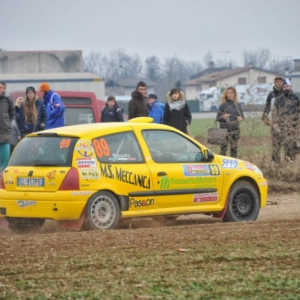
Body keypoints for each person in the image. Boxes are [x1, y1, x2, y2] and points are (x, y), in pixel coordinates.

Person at [271, 78, 300, 163]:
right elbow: (274, 112)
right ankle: (282, 161)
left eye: (287, 86)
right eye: (284, 86)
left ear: (290, 86)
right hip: (282, 126)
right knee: (284, 144)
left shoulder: (296, 98)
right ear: (282, 88)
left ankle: (292, 161)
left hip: (293, 126)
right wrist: (275, 123)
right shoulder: (279, 99)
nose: (286, 88)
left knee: (293, 144)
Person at [216, 86, 244, 158]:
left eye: (231, 93)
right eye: (228, 93)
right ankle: (222, 165)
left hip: (235, 130)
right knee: (223, 149)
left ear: (234, 94)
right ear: (226, 94)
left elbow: (242, 117)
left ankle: (234, 165)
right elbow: (217, 118)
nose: (230, 94)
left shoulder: (237, 105)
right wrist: (223, 117)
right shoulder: (223, 105)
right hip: (224, 130)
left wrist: (240, 119)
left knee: (234, 149)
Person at [262, 76, 284, 162]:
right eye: (277, 82)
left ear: (283, 83)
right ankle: (275, 159)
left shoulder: (285, 93)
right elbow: (267, 107)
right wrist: (264, 116)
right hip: (274, 122)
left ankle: (287, 159)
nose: (279, 83)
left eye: (280, 82)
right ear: (275, 83)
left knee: (284, 142)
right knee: (275, 142)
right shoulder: (271, 94)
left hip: (284, 121)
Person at [0, 82, 15, 172]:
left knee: (6, 157)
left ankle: (3, 177)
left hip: (5, 131)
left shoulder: (8, 99)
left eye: (2, 87)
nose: (1, 89)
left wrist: (7, 123)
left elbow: (12, 113)